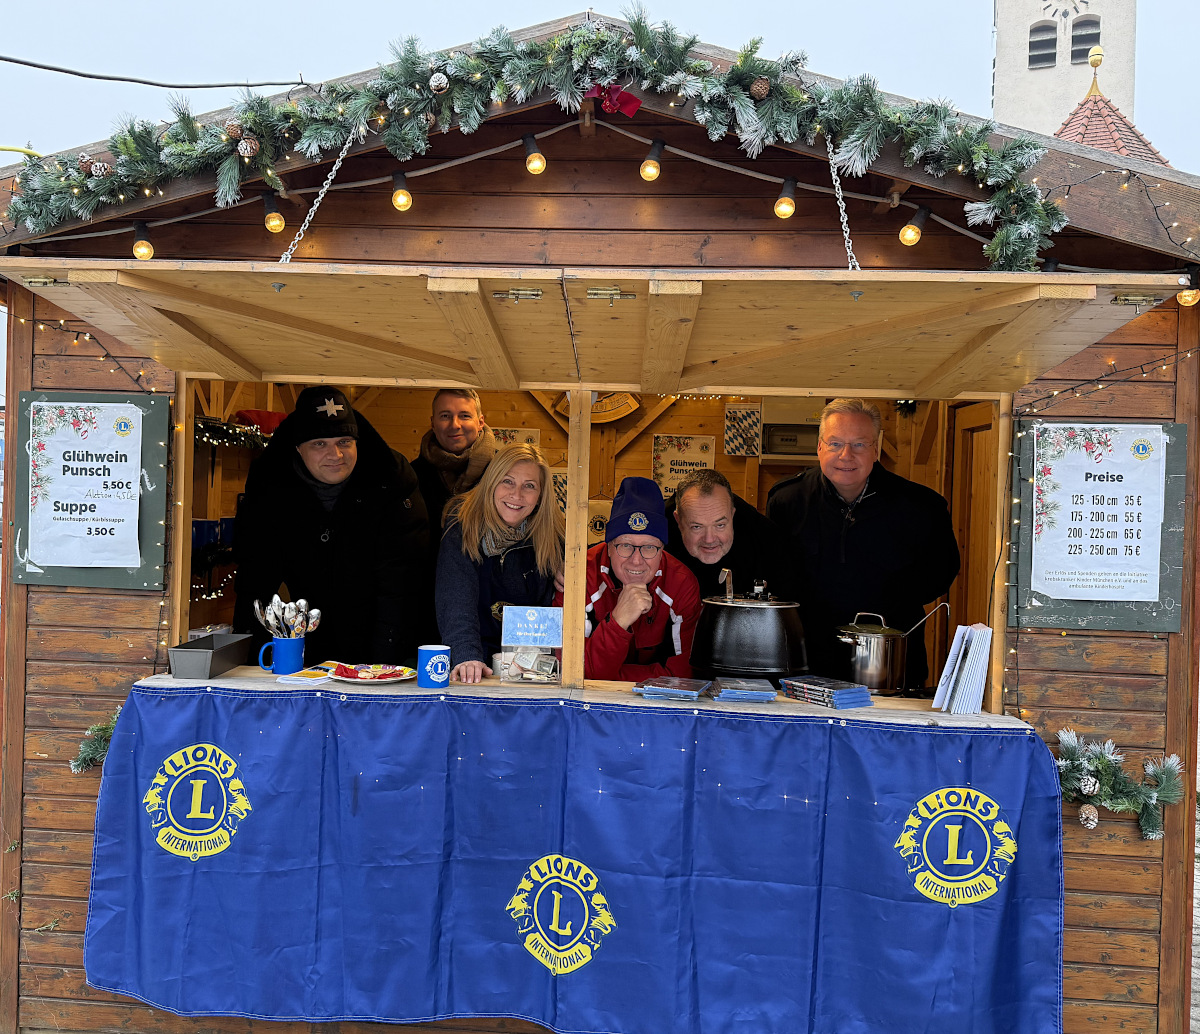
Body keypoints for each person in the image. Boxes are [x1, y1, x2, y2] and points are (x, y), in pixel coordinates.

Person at [766, 398, 960, 688]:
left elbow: (942, 573)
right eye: (835, 444)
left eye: (859, 444)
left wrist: (888, 605)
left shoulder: (922, 506)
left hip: (889, 660)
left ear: (876, 449)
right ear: (819, 447)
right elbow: (775, 574)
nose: (846, 455)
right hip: (806, 659)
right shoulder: (786, 501)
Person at [232, 386, 430, 664]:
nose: (335, 454)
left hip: (384, 627)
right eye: (319, 444)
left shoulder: (392, 478)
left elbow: (403, 582)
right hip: (309, 630)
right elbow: (255, 580)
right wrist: (251, 664)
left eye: (344, 442)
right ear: (298, 448)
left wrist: (382, 666)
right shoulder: (271, 485)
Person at [435, 443, 564, 684]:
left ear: (540, 496)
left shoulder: (554, 536)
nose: (517, 495)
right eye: (508, 481)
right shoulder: (462, 527)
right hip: (475, 660)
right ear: (491, 483)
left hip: (532, 669)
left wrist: (570, 566)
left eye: (529, 486)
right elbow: (456, 599)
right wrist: (467, 656)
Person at [562, 476, 702, 682]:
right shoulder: (577, 576)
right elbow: (570, 670)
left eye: (649, 547)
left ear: (662, 550)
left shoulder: (681, 583)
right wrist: (618, 621)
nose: (636, 561)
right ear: (609, 546)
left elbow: (685, 675)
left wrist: (610, 677)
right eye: (625, 545)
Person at [665, 468, 795, 601]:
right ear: (678, 520)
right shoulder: (656, 539)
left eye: (720, 525)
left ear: (732, 515)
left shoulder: (767, 542)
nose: (709, 539)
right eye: (697, 527)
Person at [412, 387, 497, 525]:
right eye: (445, 416)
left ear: (480, 422)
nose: (455, 425)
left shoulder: (503, 472)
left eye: (465, 416)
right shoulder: (412, 476)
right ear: (433, 423)